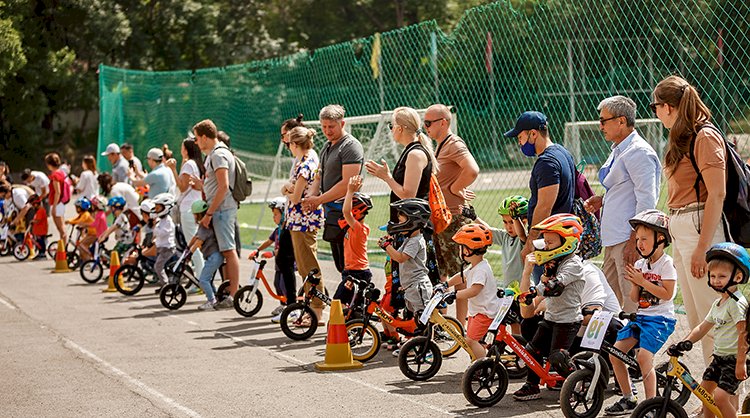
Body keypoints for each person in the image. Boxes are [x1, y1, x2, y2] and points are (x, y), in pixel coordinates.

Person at [652, 75, 727, 365]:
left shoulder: (704, 136)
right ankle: (711, 395)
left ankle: (727, 396)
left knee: (713, 316)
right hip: (682, 226)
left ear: (669, 107)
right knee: (696, 317)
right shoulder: (681, 136)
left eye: (655, 106)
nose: (655, 113)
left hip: (700, 227)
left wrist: (702, 248)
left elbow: (716, 195)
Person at [583, 96, 661, 312]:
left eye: (603, 120)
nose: (600, 126)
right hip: (614, 238)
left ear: (621, 121)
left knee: (630, 303)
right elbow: (624, 190)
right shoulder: (619, 149)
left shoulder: (638, 152)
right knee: (608, 301)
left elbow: (647, 200)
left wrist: (635, 238)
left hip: (626, 238)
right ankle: (612, 343)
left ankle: (632, 346)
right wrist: (603, 200)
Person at [365, 107, 440, 316]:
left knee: (415, 281)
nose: (390, 130)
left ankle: (422, 330)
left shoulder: (415, 154)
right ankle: (410, 328)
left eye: (391, 126)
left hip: (414, 228)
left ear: (399, 128)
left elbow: (408, 195)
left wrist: (386, 177)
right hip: (405, 227)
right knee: (405, 281)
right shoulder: (410, 151)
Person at [604, 210, 677, 415]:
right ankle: (629, 398)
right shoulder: (640, 264)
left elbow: (667, 294)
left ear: (660, 238)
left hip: (661, 320)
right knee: (615, 354)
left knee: (644, 357)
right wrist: (636, 283)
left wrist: (643, 281)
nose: (639, 244)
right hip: (642, 317)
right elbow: (635, 299)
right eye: (637, 239)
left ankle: (651, 405)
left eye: (644, 239)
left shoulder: (666, 264)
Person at [671, 243, 749, 418]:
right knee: (704, 394)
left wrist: (740, 363)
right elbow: (702, 327)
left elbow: (744, 334)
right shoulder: (718, 303)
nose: (715, 280)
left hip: (735, 360)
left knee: (721, 397)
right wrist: (686, 342)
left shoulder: (737, 303)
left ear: (737, 277)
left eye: (722, 276)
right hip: (719, 358)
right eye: (712, 276)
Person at [514, 214, 584, 401]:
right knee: (532, 350)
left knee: (557, 356)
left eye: (550, 243)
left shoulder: (573, 265)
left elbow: (555, 287)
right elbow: (540, 288)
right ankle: (532, 385)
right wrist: (529, 294)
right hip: (551, 317)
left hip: (568, 321)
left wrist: (544, 286)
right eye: (545, 242)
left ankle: (578, 383)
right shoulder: (554, 264)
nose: (545, 247)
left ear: (566, 242)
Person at [423, 103, 480, 325]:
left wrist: (456, 189)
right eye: (424, 122)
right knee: (443, 273)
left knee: (459, 276)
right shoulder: (440, 146)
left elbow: (472, 169)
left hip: (453, 218)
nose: (425, 126)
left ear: (443, 123)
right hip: (441, 218)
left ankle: (461, 326)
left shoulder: (454, 144)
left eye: (429, 122)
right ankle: (444, 323)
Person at [504, 111, 575, 283]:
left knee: (544, 294)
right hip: (562, 235)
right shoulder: (562, 152)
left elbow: (544, 206)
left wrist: (531, 241)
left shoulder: (547, 163)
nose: (520, 143)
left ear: (533, 134)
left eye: (520, 137)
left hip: (549, 241)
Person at [302, 104, 364, 273]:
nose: (327, 131)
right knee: (340, 264)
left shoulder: (350, 146)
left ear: (342, 124)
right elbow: (319, 175)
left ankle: (355, 299)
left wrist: (319, 200)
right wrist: (310, 198)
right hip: (332, 213)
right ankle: (345, 300)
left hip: (347, 213)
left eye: (331, 126)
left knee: (351, 266)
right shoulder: (327, 146)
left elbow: (347, 184)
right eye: (324, 126)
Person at [192, 119, 240, 309]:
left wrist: (209, 213)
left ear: (205, 137)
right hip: (220, 209)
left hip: (222, 210)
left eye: (197, 138)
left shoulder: (219, 155)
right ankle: (230, 290)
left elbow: (223, 186)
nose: (196, 142)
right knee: (226, 251)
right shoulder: (215, 154)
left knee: (229, 251)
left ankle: (235, 294)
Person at [436, 223, 499, 360]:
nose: (460, 250)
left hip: (485, 313)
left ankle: (483, 367)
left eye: (461, 246)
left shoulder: (481, 270)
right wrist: (445, 284)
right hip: (478, 312)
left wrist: (454, 295)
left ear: (468, 250)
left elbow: (474, 290)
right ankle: (477, 361)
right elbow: (461, 276)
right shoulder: (476, 266)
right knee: (474, 340)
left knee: (471, 341)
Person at [282, 126, 325, 324]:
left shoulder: (304, 164)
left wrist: (286, 190)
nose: (288, 146)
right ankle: (313, 307)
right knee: (305, 265)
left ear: (295, 144)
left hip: (302, 221)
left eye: (289, 142)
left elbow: (297, 197)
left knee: (308, 265)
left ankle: (316, 310)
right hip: (302, 221)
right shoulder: (309, 158)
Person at [378, 198, 434, 335]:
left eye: (401, 221)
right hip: (411, 286)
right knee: (415, 318)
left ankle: (426, 347)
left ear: (412, 221)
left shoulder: (416, 241)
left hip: (418, 286)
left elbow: (400, 258)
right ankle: (416, 344)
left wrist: (386, 246)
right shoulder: (409, 239)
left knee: (423, 318)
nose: (398, 224)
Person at [249, 197, 296, 323]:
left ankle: (291, 308)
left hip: (287, 262)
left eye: (276, 214)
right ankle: (284, 305)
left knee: (283, 284)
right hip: (279, 264)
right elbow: (269, 241)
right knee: (277, 284)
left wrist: (272, 253)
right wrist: (257, 250)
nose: (273, 217)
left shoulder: (288, 231)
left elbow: (285, 249)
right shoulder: (277, 230)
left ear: (284, 213)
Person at [165, 137, 205, 278]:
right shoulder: (197, 163)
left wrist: (173, 170)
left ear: (186, 150)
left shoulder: (189, 165)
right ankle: (203, 277)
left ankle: (201, 278)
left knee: (192, 246)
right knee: (197, 244)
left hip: (188, 208)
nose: (181, 150)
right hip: (196, 206)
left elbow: (182, 187)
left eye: (182, 147)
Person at [331, 175, 373, 308]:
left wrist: (350, 191)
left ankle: (346, 326)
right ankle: (352, 325)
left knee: (339, 301)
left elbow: (346, 212)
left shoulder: (359, 229)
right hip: (350, 271)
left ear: (357, 211)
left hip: (357, 273)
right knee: (351, 305)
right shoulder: (353, 228)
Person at [188, 200, 225, 311]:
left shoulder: (205, 226)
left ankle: (211, 301)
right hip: (212, 256)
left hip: (214, 256)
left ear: (199, 214)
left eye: (194, 214)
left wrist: (190, 253)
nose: (193, 216)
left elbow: (199, 241)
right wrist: (187, 246)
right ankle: (215, 298)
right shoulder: (203, 225)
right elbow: (195, 237)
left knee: (203, 280)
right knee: (208, 279)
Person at [150, 193, 177, 292]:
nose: (156, 210)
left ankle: (166, 286)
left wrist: (155, 227)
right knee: (159, 266)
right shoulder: (161, 220)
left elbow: (161, 233)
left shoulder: (168, 221)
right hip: (162, 247)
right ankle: (164, 284)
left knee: (158, 266)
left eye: (158, 208)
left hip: (167, 248)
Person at [45, 153, 67, 246]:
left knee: (60, 228)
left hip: (57, 203)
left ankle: (63, 248)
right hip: (61, 203)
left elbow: (57, 192)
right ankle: (63, 246)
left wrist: (54, 206)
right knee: (62, 227)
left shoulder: (55, 175)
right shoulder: (61, 172)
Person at [65, 197, 96, 262]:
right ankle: (84, 260)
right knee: (80, 245)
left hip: (94, 234)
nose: (76, 209)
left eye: (77, 207)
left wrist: (70, 222)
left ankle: (89, 260)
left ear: (81, 207)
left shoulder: (86, 214)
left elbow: (80, 221)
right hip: (90, 233)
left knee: (82, 245)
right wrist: (69, 221)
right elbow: (76, 219)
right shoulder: (82, 214)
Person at [28, 194, 48, 260]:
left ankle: (42, 254)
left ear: (36, 204)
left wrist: (32, 221)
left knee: (41, 241)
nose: (32, 207)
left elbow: (38, 220)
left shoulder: (40, 211)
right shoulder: (38, 211)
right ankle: (40, 253)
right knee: (38, 242)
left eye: (33, 205)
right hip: (38, 231)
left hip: (41, 230)